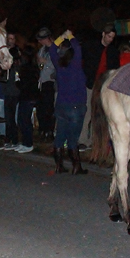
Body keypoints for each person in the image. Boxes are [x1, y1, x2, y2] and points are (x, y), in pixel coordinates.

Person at [48, 30, 88, 175]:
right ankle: (76, 166)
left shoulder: (59, 66)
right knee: (73, 138)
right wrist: (70, 36)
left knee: (60, 136)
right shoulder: (76, 65)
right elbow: (77, 47)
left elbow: (52, 48)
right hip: (76, 105)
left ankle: (59, 165)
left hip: (61, 105)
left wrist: (61, 37)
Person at [14, 44, 39, 153]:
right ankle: (25, 142)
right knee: (22, 120)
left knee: (24, 120)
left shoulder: (27, 68)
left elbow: (24, 84)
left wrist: (17, 81)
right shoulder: (32, 67)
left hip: (27, 97)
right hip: (28, 96)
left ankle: (28, 144)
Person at [0, 34, 22, 150]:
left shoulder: (17, 53)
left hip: (13, 89)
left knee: (11, 116)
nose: (10, 41)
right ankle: (9, 139)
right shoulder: (3, 50)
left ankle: (13, 140)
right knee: (8, 116)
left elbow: (16, 71)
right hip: (7, 88)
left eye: (12, 39)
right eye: (9, 38)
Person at [35, 27, 56, 139]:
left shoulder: (56, 48)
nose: (39, 42)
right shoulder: (42, 50)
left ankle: (50, 130)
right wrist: (40, 63)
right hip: (42, 81)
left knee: (49, 107)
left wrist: (46, 62)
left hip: (51, 81)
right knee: (41, 108)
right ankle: (43, 129)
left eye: (41, 39)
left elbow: (58, 65)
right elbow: (39, 63)